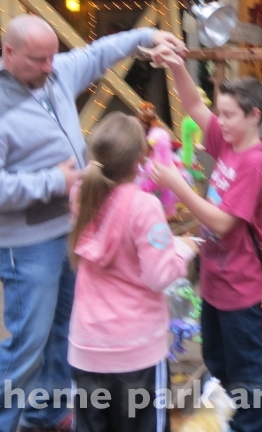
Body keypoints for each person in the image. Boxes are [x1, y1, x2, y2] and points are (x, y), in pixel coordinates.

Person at [0, 14, 183, 432]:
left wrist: (146, 35)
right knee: (28, 344)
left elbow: (99, 53)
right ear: (8, 53)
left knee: (63, 329)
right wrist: (52, 182)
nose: (48, 67)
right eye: (38, 60)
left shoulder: (54, 72)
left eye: (52, 57)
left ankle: (46, 414)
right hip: (24, 245)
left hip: (68, 231)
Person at [150, 51, 262, 432]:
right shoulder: (227, 142)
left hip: (240, 283)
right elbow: (191, 104)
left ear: (254, 115)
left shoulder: (255, 162)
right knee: (219, 363)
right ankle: (227, 420)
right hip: (216, 280)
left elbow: (223, 223)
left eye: (229, 115)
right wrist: (174, 64)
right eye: (219, 113)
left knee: (247, 369)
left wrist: (176, 186)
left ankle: (251, 427)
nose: (219, 122)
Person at [68, 113, 198, 432]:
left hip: (87, 347)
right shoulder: (144, 206)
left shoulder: (80, 195)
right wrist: (183, 249)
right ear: (141, 158)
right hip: (135, 351)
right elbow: (159, 276)